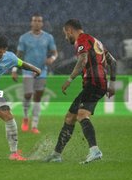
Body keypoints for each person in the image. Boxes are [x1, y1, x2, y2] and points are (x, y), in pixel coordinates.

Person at [45, 19, 116, 164]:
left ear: (70, 30)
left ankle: (94, 150)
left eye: (66, 34)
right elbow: (112, 61)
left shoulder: (82, 40)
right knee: (70, 117)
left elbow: (83, 60)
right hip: (98, 83)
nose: (66, 37)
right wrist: (112, 83)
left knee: (82, 115)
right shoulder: (96, 41)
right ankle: (56, 154)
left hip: (94, 83)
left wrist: (69, 79)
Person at [12, 14, 58, 134]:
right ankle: (26, 117)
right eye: (35, 21)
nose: (37, 23)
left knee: (37, 97)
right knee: (28, 94)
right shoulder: (24, 38)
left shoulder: (48, 37)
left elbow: (54, 52)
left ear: (42, 23)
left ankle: (35, 125)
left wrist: (52, 59)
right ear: (31, 23)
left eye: (39, 21)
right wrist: (14, 70)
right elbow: (19, 55)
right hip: (28, 70)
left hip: (42, 71)